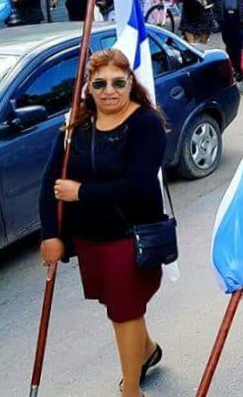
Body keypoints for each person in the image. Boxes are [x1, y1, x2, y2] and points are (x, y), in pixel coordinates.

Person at [39, 49, 167, 397]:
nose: (109, 90)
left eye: (118, 82)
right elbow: (51, 181)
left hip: (129, 235)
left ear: (130, 83)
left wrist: (81, 193)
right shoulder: (74, 127)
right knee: (119, 305)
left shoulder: (146, 123)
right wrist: (51, 234)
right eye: (100, 83)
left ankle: (131, 390)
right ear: (89, 89)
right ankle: (148, 350)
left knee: (123, 311)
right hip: (88, 238)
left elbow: (138, 186)